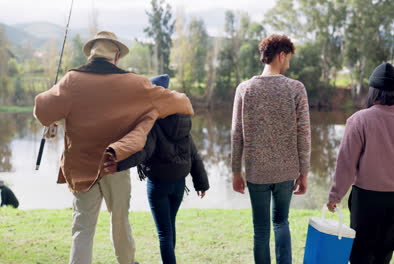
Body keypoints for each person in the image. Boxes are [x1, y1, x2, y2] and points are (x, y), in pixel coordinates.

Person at [34, 31, 194, 264]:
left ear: (91, 54)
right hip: (115, 165)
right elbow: (183, 103)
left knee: (82, 228)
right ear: (116, 56)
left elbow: (41, 111)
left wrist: (54, 95)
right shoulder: (134, 84)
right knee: (120, 222)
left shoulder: (71, 80)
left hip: (79, 167)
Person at [326, 62, 394, 264]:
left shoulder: (358, 120)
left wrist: (335, 195)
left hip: (366, 200)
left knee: (360, 255)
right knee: (384, 255)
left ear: (372, 90)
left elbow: (346, 163)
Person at [104, 74, 209, 264]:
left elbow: (144, 152)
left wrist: (119, 164)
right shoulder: (183, 118)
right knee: (169, 227)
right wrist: (201, 182)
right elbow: (193, 152)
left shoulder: (152, 120)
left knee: (164, 233)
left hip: (159, 184)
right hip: (178, 184)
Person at [231, 34, 311, 264]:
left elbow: (237, 135)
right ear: (281, 55)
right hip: (287, 171)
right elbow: (304, 134)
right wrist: (304, 172)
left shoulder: (245, 89)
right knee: (281, 222)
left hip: (257, 173)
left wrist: (236, 171)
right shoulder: (296, 89)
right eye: (288, 59)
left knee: (261, 229)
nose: (289, 64)